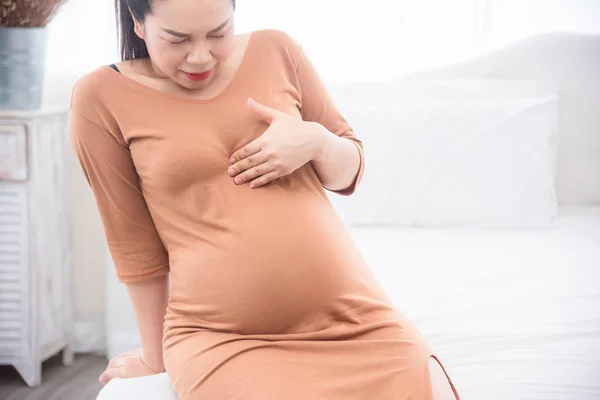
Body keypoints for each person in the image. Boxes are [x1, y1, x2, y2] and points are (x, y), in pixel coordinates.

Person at [69, 0, 460, 398]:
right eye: (178, 39)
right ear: (137, 22)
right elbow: (133, 245)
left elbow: (350, 170)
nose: (201, 55)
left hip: (358, 320)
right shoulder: (100, 98)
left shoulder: (278, 50)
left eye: (219, 32)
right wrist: (155, 358)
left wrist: (316, 142)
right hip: (225, 338)